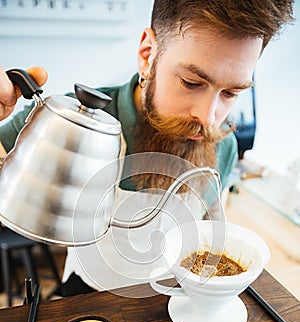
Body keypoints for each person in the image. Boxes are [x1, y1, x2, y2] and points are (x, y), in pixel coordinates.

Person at [0, 0, 295, 298]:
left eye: (231, 93)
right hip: (89, 295)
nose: (208, 118)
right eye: (192, 83)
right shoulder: (73, 124)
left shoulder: (224, 145)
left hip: (177, 300)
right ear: (147, 55)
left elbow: (207, 233)